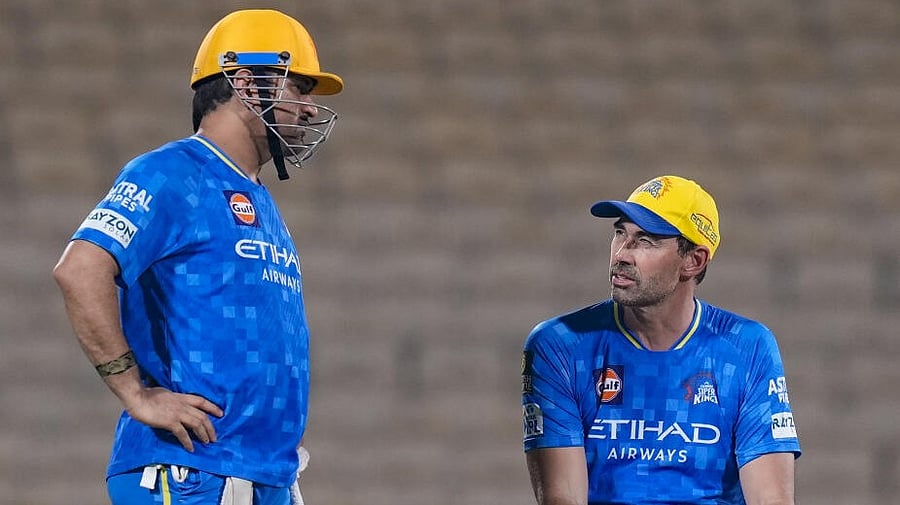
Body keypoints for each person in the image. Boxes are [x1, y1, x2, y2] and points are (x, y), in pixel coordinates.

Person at [52, 9, 342, 505]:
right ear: (247, 84)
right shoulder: (172, 173)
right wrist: (135, 394)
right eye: (300, 87)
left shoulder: (258, 197)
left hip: (261, 472)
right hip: (189, 471)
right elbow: (80, 269)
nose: (311, 108)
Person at [521, 175, 800, 505]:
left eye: (645, 241)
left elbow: (771, 499)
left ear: (694, 261)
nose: (622, 254)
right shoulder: (562, 345)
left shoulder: (746, 347)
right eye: (620, 233)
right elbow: (563, 498)